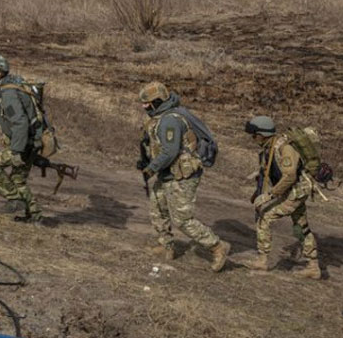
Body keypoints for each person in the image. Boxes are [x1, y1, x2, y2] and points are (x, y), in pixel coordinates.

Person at [137, 81, 229, 272]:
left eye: (147, 103)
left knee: (182, 219)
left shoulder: (170, 120)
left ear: (158, 101)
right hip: (167, 172)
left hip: (182, 175)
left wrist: (151, 168)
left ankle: (217, 247)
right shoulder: (159, 117)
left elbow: (170, 151)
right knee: (158, 208)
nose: (144, 107)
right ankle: (166, 245)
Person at [244, 116, 321, 278]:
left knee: (265, 216)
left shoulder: (283, 148)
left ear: (262, 134)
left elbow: (290, 176)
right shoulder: (270, 147)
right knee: (301, 226)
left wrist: (270, 195)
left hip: (294, 191)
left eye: (254, 135)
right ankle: (313, 266)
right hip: (294, 191)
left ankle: (262, 260)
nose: (253, 138)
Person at [0, 54, 44, 223]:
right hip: (31, 142)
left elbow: (20, 123)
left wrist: (16, 152)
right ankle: (35, 217)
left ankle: (14, 200)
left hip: (23, 146)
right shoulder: (15, 84)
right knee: (18, 180)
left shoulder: (8, 93)